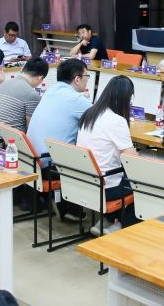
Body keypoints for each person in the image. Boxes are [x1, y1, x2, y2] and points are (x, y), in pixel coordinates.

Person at [76, 75, 138, 233]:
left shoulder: (89, 114)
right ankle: (122, 225)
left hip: (84, 181)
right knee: (144, 184)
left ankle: (108, 220)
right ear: (124, 98)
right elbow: (134, 162)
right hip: (105, 187)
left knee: (119, 172)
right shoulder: (117, 121)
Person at [27, 58, 91, 163]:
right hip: (51, 165)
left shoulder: (50, 91)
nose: (87, 79)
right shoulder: (76, 99)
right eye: (86, 76)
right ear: (77, 79)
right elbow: (100, 122)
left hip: (31, 159)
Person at [0, 57, 47, 145]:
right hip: (6, 145)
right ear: (40, 77)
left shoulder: (4, 84)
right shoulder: (32, 94)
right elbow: (32, 130)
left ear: (22, 69)